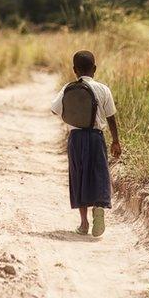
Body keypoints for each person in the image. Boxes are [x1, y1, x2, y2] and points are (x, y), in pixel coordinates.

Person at [50, 50, 121, 237]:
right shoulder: (103, 89)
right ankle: (99, 208)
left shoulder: (68, 87)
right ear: (95, 69)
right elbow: (111, 117)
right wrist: (115, 141)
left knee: (78, 175)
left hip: (76, 138)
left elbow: (54, 110)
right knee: (98, 174)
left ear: (74, 70)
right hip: (96, 137)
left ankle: (83, 224)